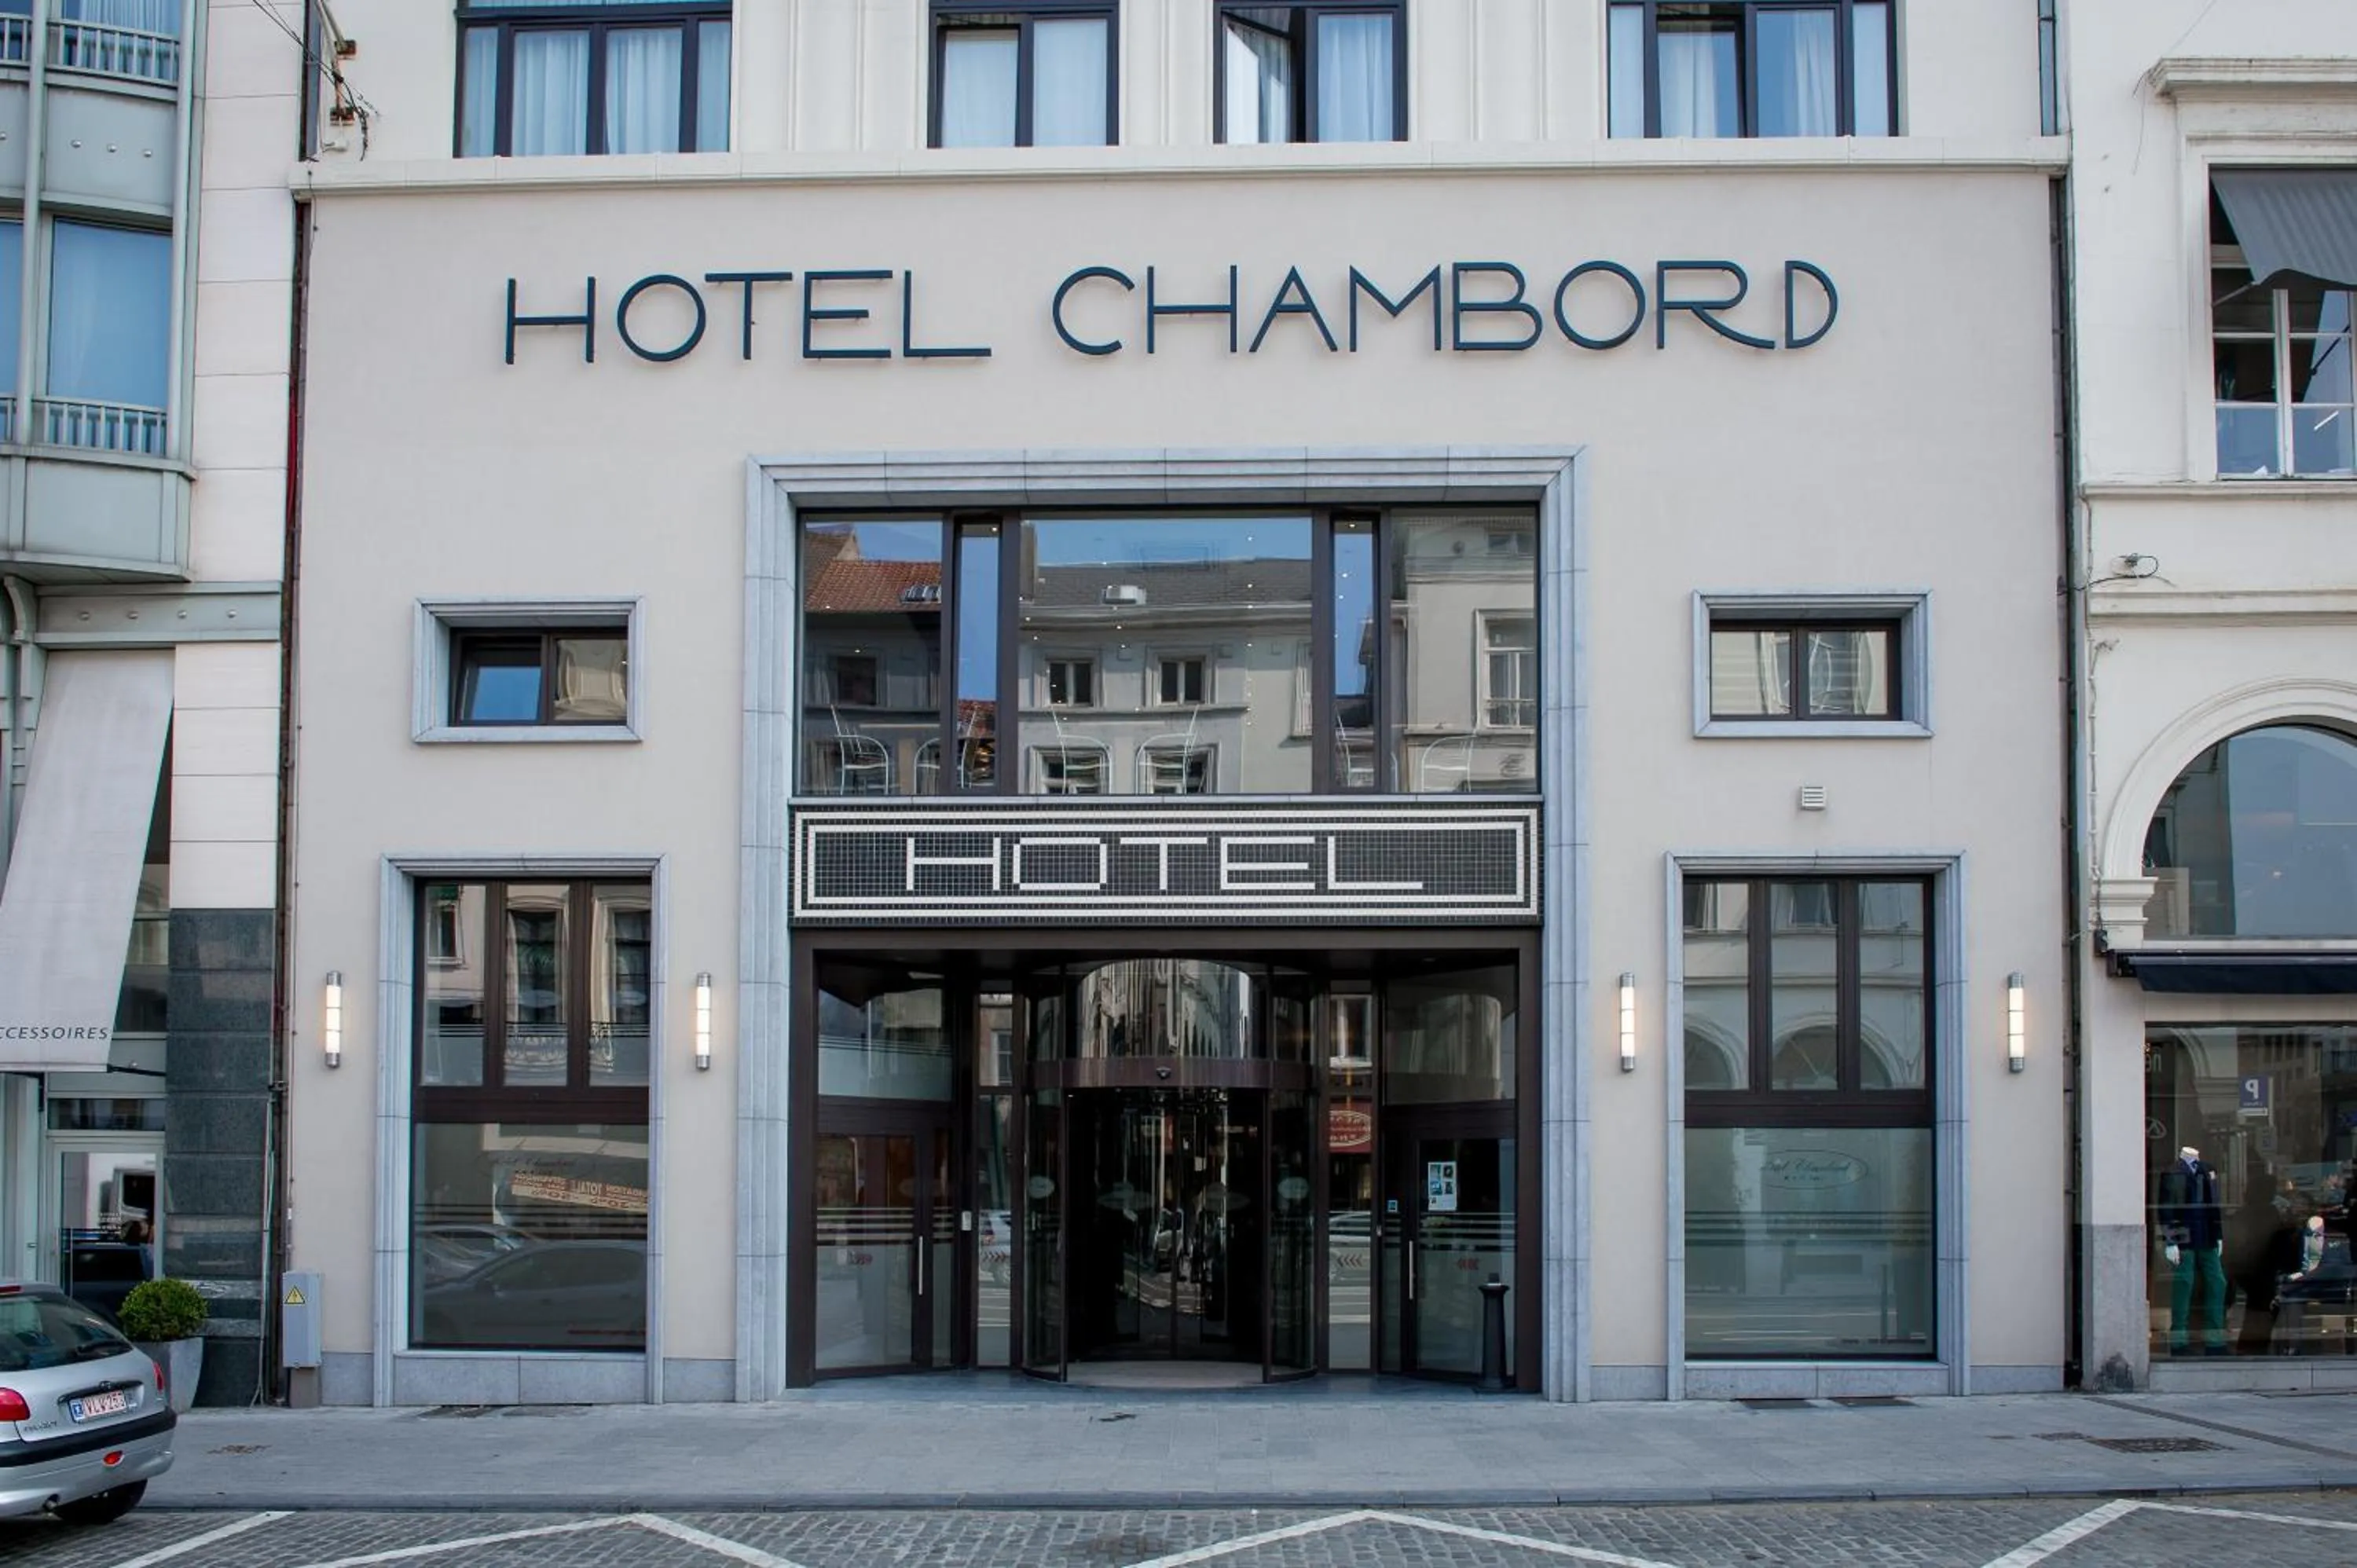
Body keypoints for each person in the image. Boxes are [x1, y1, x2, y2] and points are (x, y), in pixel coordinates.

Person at [2157, 1145, 2228, 1356]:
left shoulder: (2208, 1169)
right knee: (2184, 1284)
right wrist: (2171, 1241)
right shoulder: (2173, 1171)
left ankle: (2215, 1340)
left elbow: (2214, 1204)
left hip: (2207, 1235)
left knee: (2217, 1282)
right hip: (2183, 1235)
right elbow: (2166, 1207)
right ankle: (2179, 1340)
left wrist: (2218, 1235)